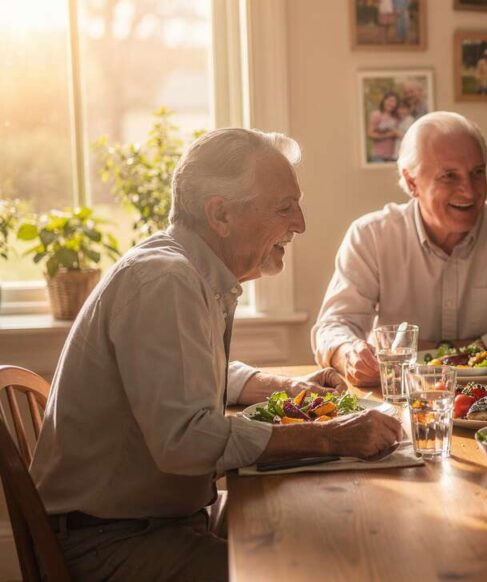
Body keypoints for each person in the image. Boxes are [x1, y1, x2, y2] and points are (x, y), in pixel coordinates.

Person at [29, 128, 403, 580]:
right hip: (112, 543)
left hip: (156, 523)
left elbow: (189, 377)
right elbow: (184, 442)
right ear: (220, 214)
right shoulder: (165, 281)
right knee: (318, 566)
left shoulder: (190, 273)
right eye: (285, 207)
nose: (301, 223)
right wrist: (332, 436)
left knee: (328, 532)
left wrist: (284, 386)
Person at [312, 112, 487, 386]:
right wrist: (348, 354)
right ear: (412, 182)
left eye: (477, 173)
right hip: (405, 396)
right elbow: (333, 326)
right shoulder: (370, 236)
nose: (470, 192)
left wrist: (452, 350)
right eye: (449, 176)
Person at [368, 91, 400, 162]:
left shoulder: (396, 117)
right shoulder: (376, 115)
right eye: (389, 100)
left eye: (394, 102)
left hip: (392, 156)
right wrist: (387, 135)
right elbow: (370, 134)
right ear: (384, 101)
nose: (391, 104)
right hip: (378, 155)